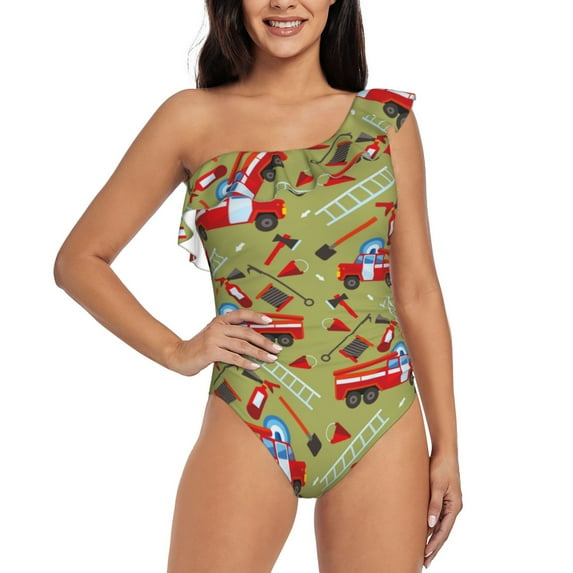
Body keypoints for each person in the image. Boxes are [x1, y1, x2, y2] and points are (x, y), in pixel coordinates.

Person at [54, 0, 462, 571]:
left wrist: (447, 447)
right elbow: (79, 260)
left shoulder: (386, 123)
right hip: (254, 404)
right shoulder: (191, 118)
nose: (283, 2)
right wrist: (177, 350)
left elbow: (417, 290)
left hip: (383, 412)